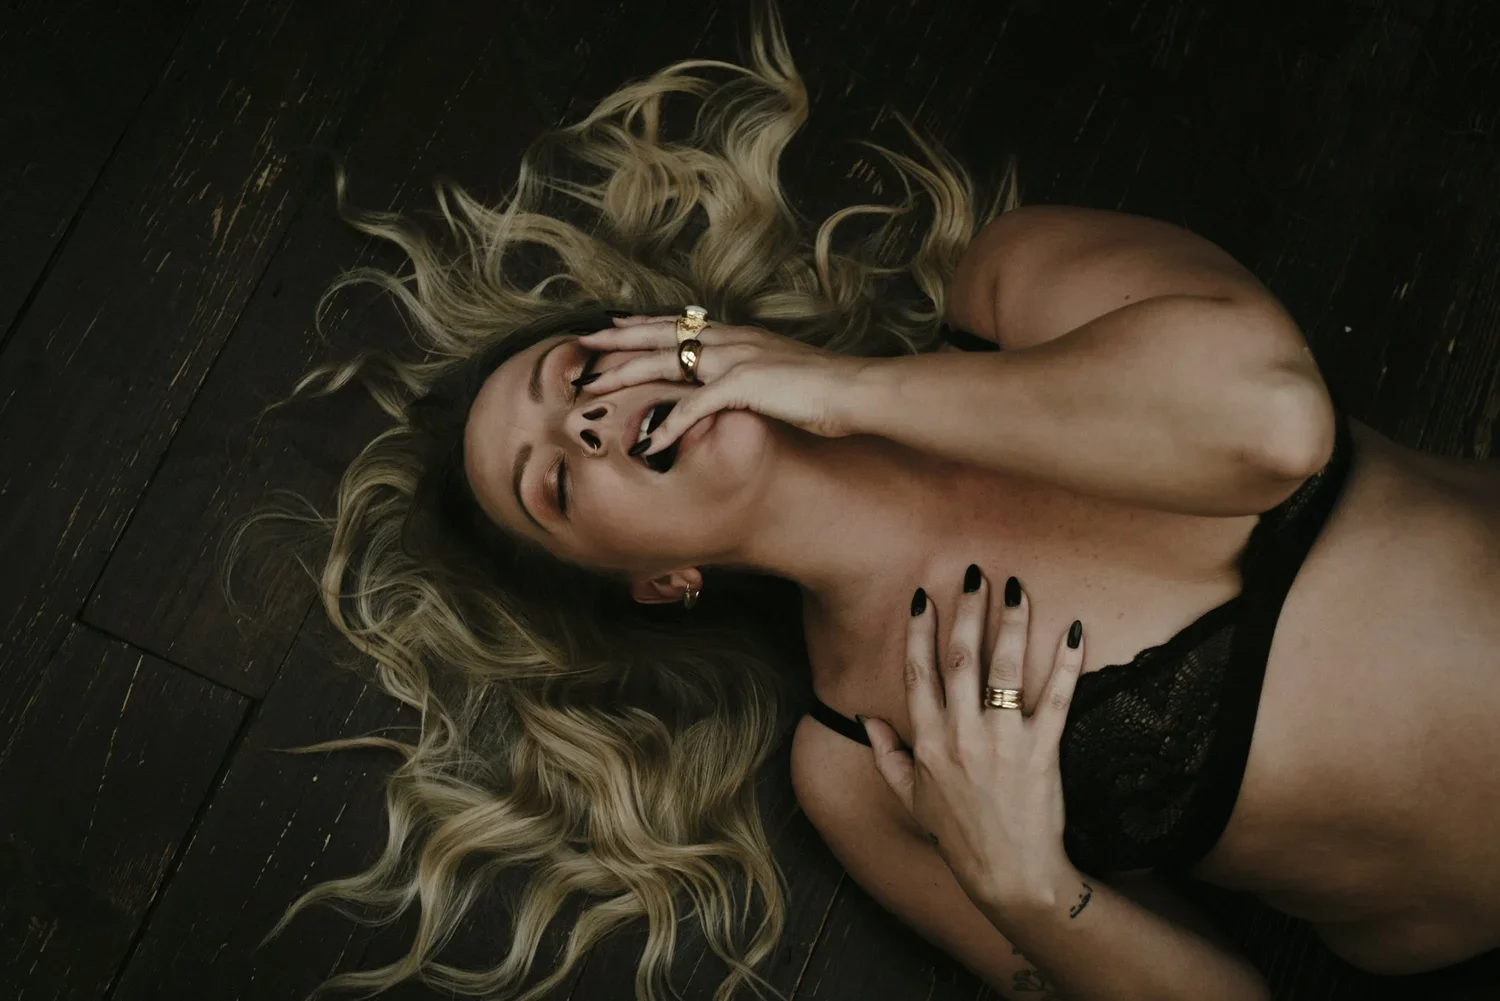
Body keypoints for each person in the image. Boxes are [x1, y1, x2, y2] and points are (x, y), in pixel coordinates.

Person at [262, 5, 1500, 1000]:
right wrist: (1022, 883)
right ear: (655, 581)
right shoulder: (859, 766)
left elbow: (1271, 426)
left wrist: (840, 391)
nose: (582, 422)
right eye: (554, 480)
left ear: (670, 329)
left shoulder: (1016, 288)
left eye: (578, 371)